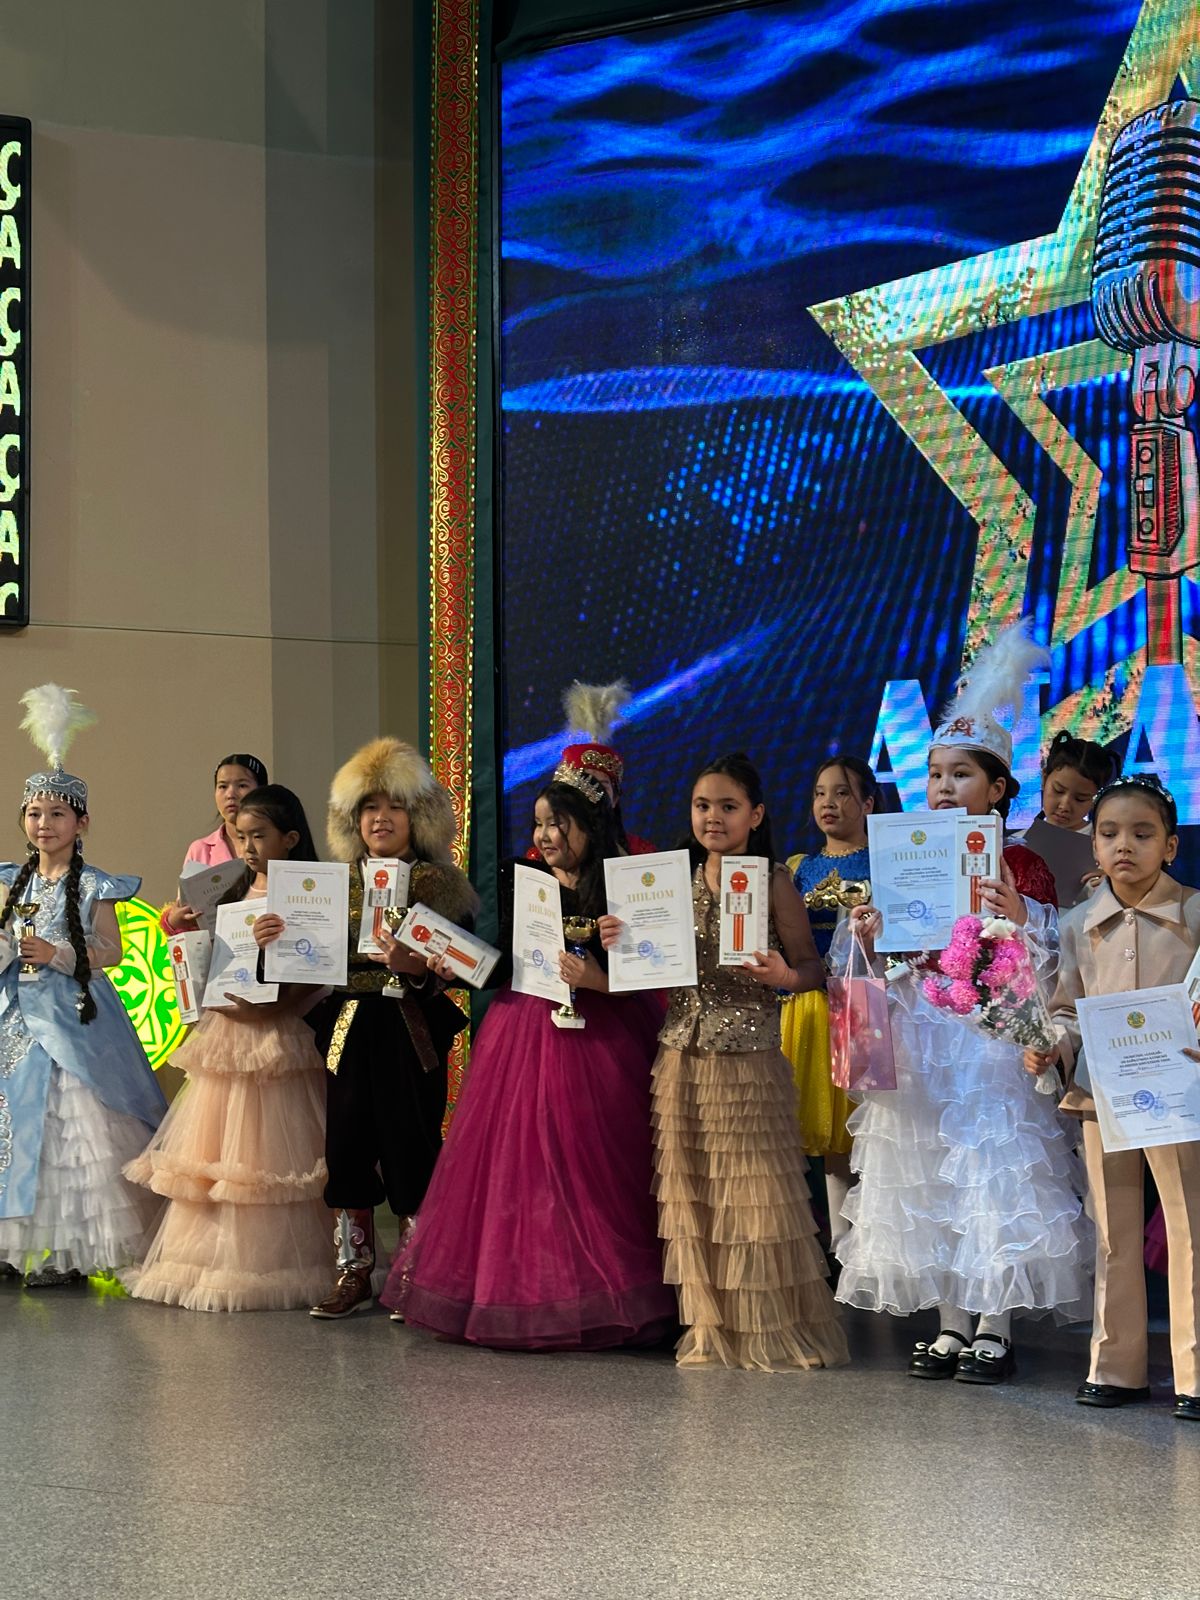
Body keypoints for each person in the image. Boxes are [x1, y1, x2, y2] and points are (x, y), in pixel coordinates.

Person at [841, 624, 1092, 1384]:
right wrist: (874, 934)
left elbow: (1052, 962)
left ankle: (994, 1323)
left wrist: (1025, 915)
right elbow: (897, 962)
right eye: (934, 774)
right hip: (922, 1029)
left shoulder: (1019, 862)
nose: (944, 787)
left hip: (988, 1038)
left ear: (998, 789)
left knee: (988, 1170)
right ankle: (950, 1323)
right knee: (930, 1171)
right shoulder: (907, 854)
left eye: (961, 774)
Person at [381, 777, 677, 1348]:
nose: (546, 835)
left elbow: (652, 968)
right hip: (525, 1028)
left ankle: (609, 1293)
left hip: (603, 1034)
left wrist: (605, 969)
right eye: (539, 823)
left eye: (558, 823)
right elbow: (501, 962)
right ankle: (528, 1293)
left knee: (597, 1161)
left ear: (590, 826)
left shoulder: (621, 882)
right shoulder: (521, 877)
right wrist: (450, 964)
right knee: (525, 1161)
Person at [626, 751, 848, 1371]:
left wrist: (784, 977)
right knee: (694, 1198)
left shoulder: (772, 880)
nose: (713, 818)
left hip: (748, 1058)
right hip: (680, 1055)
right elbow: (647, 961)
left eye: (728, 806)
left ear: (756, 814)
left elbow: (812, 968)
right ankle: (711, 1330)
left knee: (756, 1198)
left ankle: (770, 1330)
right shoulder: (670, 878)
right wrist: (625, 942)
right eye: (703, 806)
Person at [258, 737, 476, 1320]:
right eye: (369, 808)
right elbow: (298, 968)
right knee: (346, 1147)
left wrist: (419, 967)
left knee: (412, 1146)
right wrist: (269, 945)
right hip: (349, 1026)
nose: (381, 818)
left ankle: (415, 1273)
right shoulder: (330, 885)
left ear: (418, 817)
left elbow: (471, 967)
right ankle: (353, 1271)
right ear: (352, 820)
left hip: (412, 1028)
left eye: (395, 806)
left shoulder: (440, 884)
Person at [1026, 774, 1200, 1421]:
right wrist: (1052, 1044)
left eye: (1142, 833)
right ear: (1094, 845)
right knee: (1112, 1233)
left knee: (1189, 1229)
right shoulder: (1078, 923)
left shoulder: (1195, 915)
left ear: (1170, 846)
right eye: (1110, 833)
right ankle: (1115, 1365)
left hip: (1180, 1094)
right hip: (1101, 1093)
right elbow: (1067, 1008)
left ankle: (1194, 1372)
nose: (1124, 845)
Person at [123, 786, 331, 1311]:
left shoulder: (309, 893)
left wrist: (273, 992)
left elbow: (319, 967)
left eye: (259, 836)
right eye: (241, 837)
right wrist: (185, 932)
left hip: (277, 1033)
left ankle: (272, 1260)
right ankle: (204, 1259)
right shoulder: (231, 888)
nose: (248, 847)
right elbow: (206, 951)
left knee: (268, 1150)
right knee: (216, 1149)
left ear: (290, 838)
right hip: (227, 1028)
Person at [0, 685, 166, 1286]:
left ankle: (68, 1252)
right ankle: (14, 1245)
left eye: (57, 814)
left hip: (75, 1017)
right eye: (34, 813)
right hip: (15, 1017)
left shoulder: (97, 884)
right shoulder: (13, 880)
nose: (44, 824)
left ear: (82, 822)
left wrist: (58, 953)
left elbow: (112, 952)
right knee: (17, 1120)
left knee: (73, 1128)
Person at [782, 756, 877, 1251]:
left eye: (841, 793)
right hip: (809, 1006)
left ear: (867, 803)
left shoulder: (885, 861)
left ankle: (872, 1240)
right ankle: (838, 1245)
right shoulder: (798, 868)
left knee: (863, 1128)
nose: (828, 803)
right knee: (823, 1130)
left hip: (864, 1004)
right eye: (820, 793)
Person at [529, 681, 656, 857]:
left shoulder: (639, 853)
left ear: (615, 798)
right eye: (580, 784)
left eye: (601, 786)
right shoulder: (540, 859)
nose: (590, 794)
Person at [160, 754, 269, 935]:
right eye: (222, 786)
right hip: (217, 949)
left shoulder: (272, 842)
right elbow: (184, 909)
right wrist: (173, 920)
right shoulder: (200, 849)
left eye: (242, 785)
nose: (230, 794)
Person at [1017, 731, 1116, 911]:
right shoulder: (1017, 843)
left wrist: (1112, 885)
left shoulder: (1106, 847)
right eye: (1058, 790)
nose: (1065, 806)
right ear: (1044, 778)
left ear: (1095, 799)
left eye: (1080, 799)